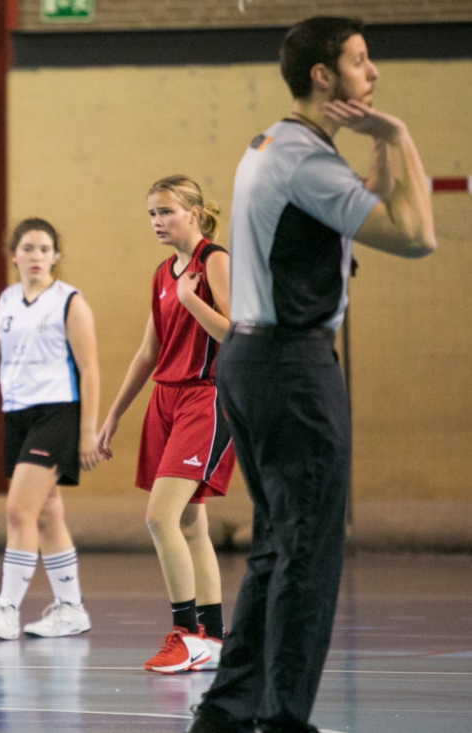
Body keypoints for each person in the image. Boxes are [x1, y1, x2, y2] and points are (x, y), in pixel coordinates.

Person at [189, 17, 436, 733]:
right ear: (323, 76)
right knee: (310, 550)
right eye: (361, 61)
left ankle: (231, 709)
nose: (374, 73)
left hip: (252, 362)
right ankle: (284, 718)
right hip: (291, 368)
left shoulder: (276, 145)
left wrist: (374, 157)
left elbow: (353, 199)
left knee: (276, 544)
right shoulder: (301, 159)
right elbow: (416, 236)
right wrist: (398, 136)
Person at [98, 175, 235, 674]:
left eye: (167, 212)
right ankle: (216, 638)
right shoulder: (162, 273)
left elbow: (236, 333)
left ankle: (185, 633)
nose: (157, 222)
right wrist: (112, 416)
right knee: (191, 523)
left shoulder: (213, 261)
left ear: (194, 213)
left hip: (206, 396)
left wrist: (193, 300)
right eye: (152, 214)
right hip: (166, 400)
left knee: (161, 517)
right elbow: (147, 352)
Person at [0, 218, 101, 640]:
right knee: (49, 513)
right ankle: (71, 608)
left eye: (44, 248)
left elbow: (89, 369)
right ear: (12, 253)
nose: (36, 256)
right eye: (28, 248)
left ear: (56, 256)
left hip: (57, 414)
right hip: (16, 416)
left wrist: (87, 431)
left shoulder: (70, 302)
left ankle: (7, 609)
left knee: (19, 511)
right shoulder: (2, 303)